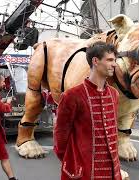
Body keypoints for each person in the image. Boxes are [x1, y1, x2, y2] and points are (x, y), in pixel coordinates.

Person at [53, 42, 125, 180]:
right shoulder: (72, 95)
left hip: (112, 173)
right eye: (110, 60)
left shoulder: (114, 94)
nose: (114, 64)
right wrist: (72, 164)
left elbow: (113, 133)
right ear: (95, 61)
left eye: (115, 60)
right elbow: (61, 135)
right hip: (84, 173)